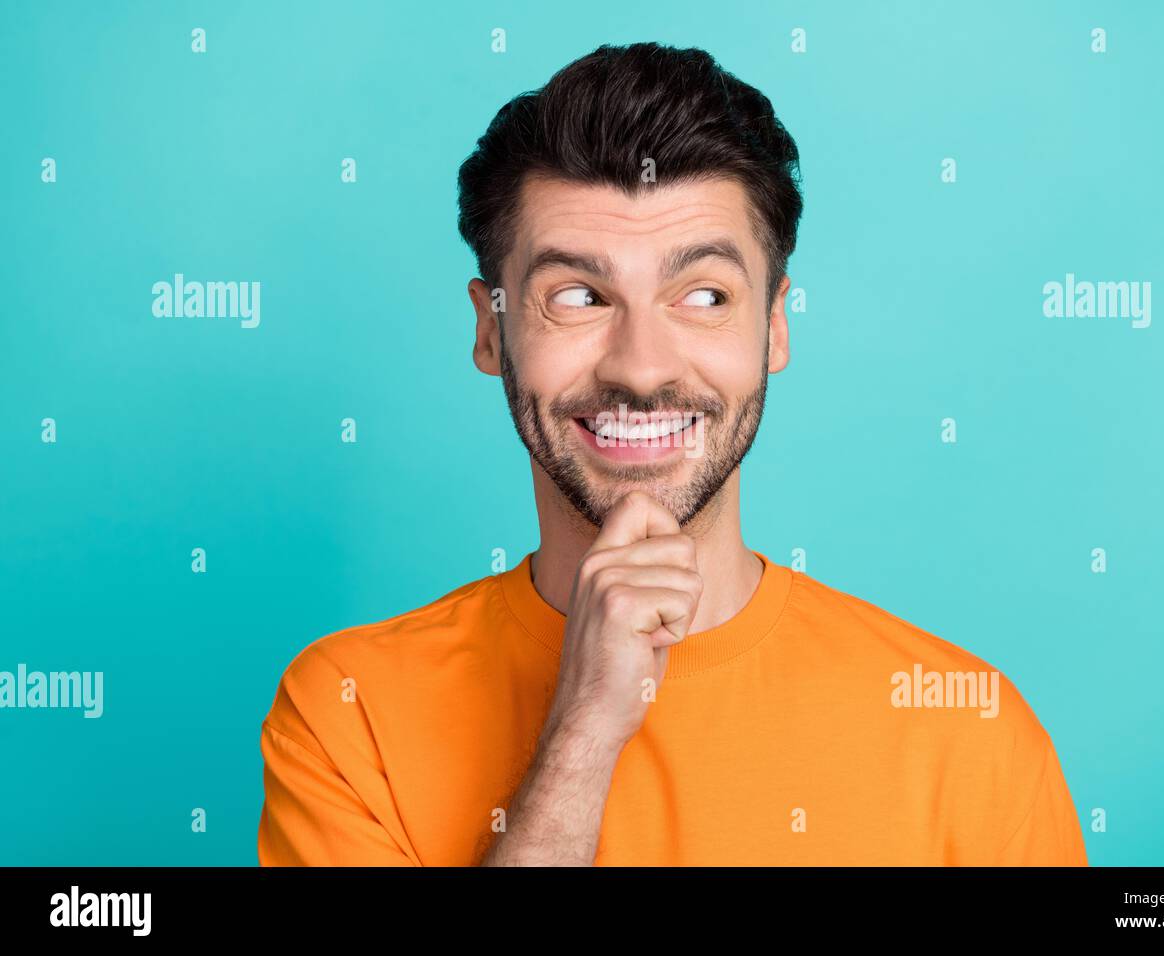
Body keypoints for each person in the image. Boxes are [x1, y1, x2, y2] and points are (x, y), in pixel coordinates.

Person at [257, 41, 1088, 866]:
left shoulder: (966, 731)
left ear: (773, 326)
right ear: (490, 329)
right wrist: (585, 727)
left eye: (703, 295)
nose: (641, 367)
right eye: (578, 296)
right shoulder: (350, 712)